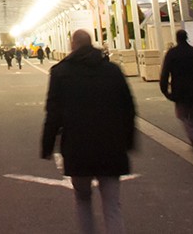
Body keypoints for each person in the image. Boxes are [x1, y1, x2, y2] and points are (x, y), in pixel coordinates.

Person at [42, 29, 137, 234]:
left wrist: (47, 146)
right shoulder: (112, 70)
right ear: (92, 43)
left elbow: (53, 113)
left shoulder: (60, 72)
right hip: (111, 147)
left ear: (72, 45)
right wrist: (128, 141)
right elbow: (128, 108)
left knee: (83, 200)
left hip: (78, 149)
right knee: (113, 205)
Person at [158, 29, 193, 154]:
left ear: (177, 39)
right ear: (187, 37)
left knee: (182, 115)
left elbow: (165, 73)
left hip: (179, 89)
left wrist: (164, 90)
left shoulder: (172, 53)